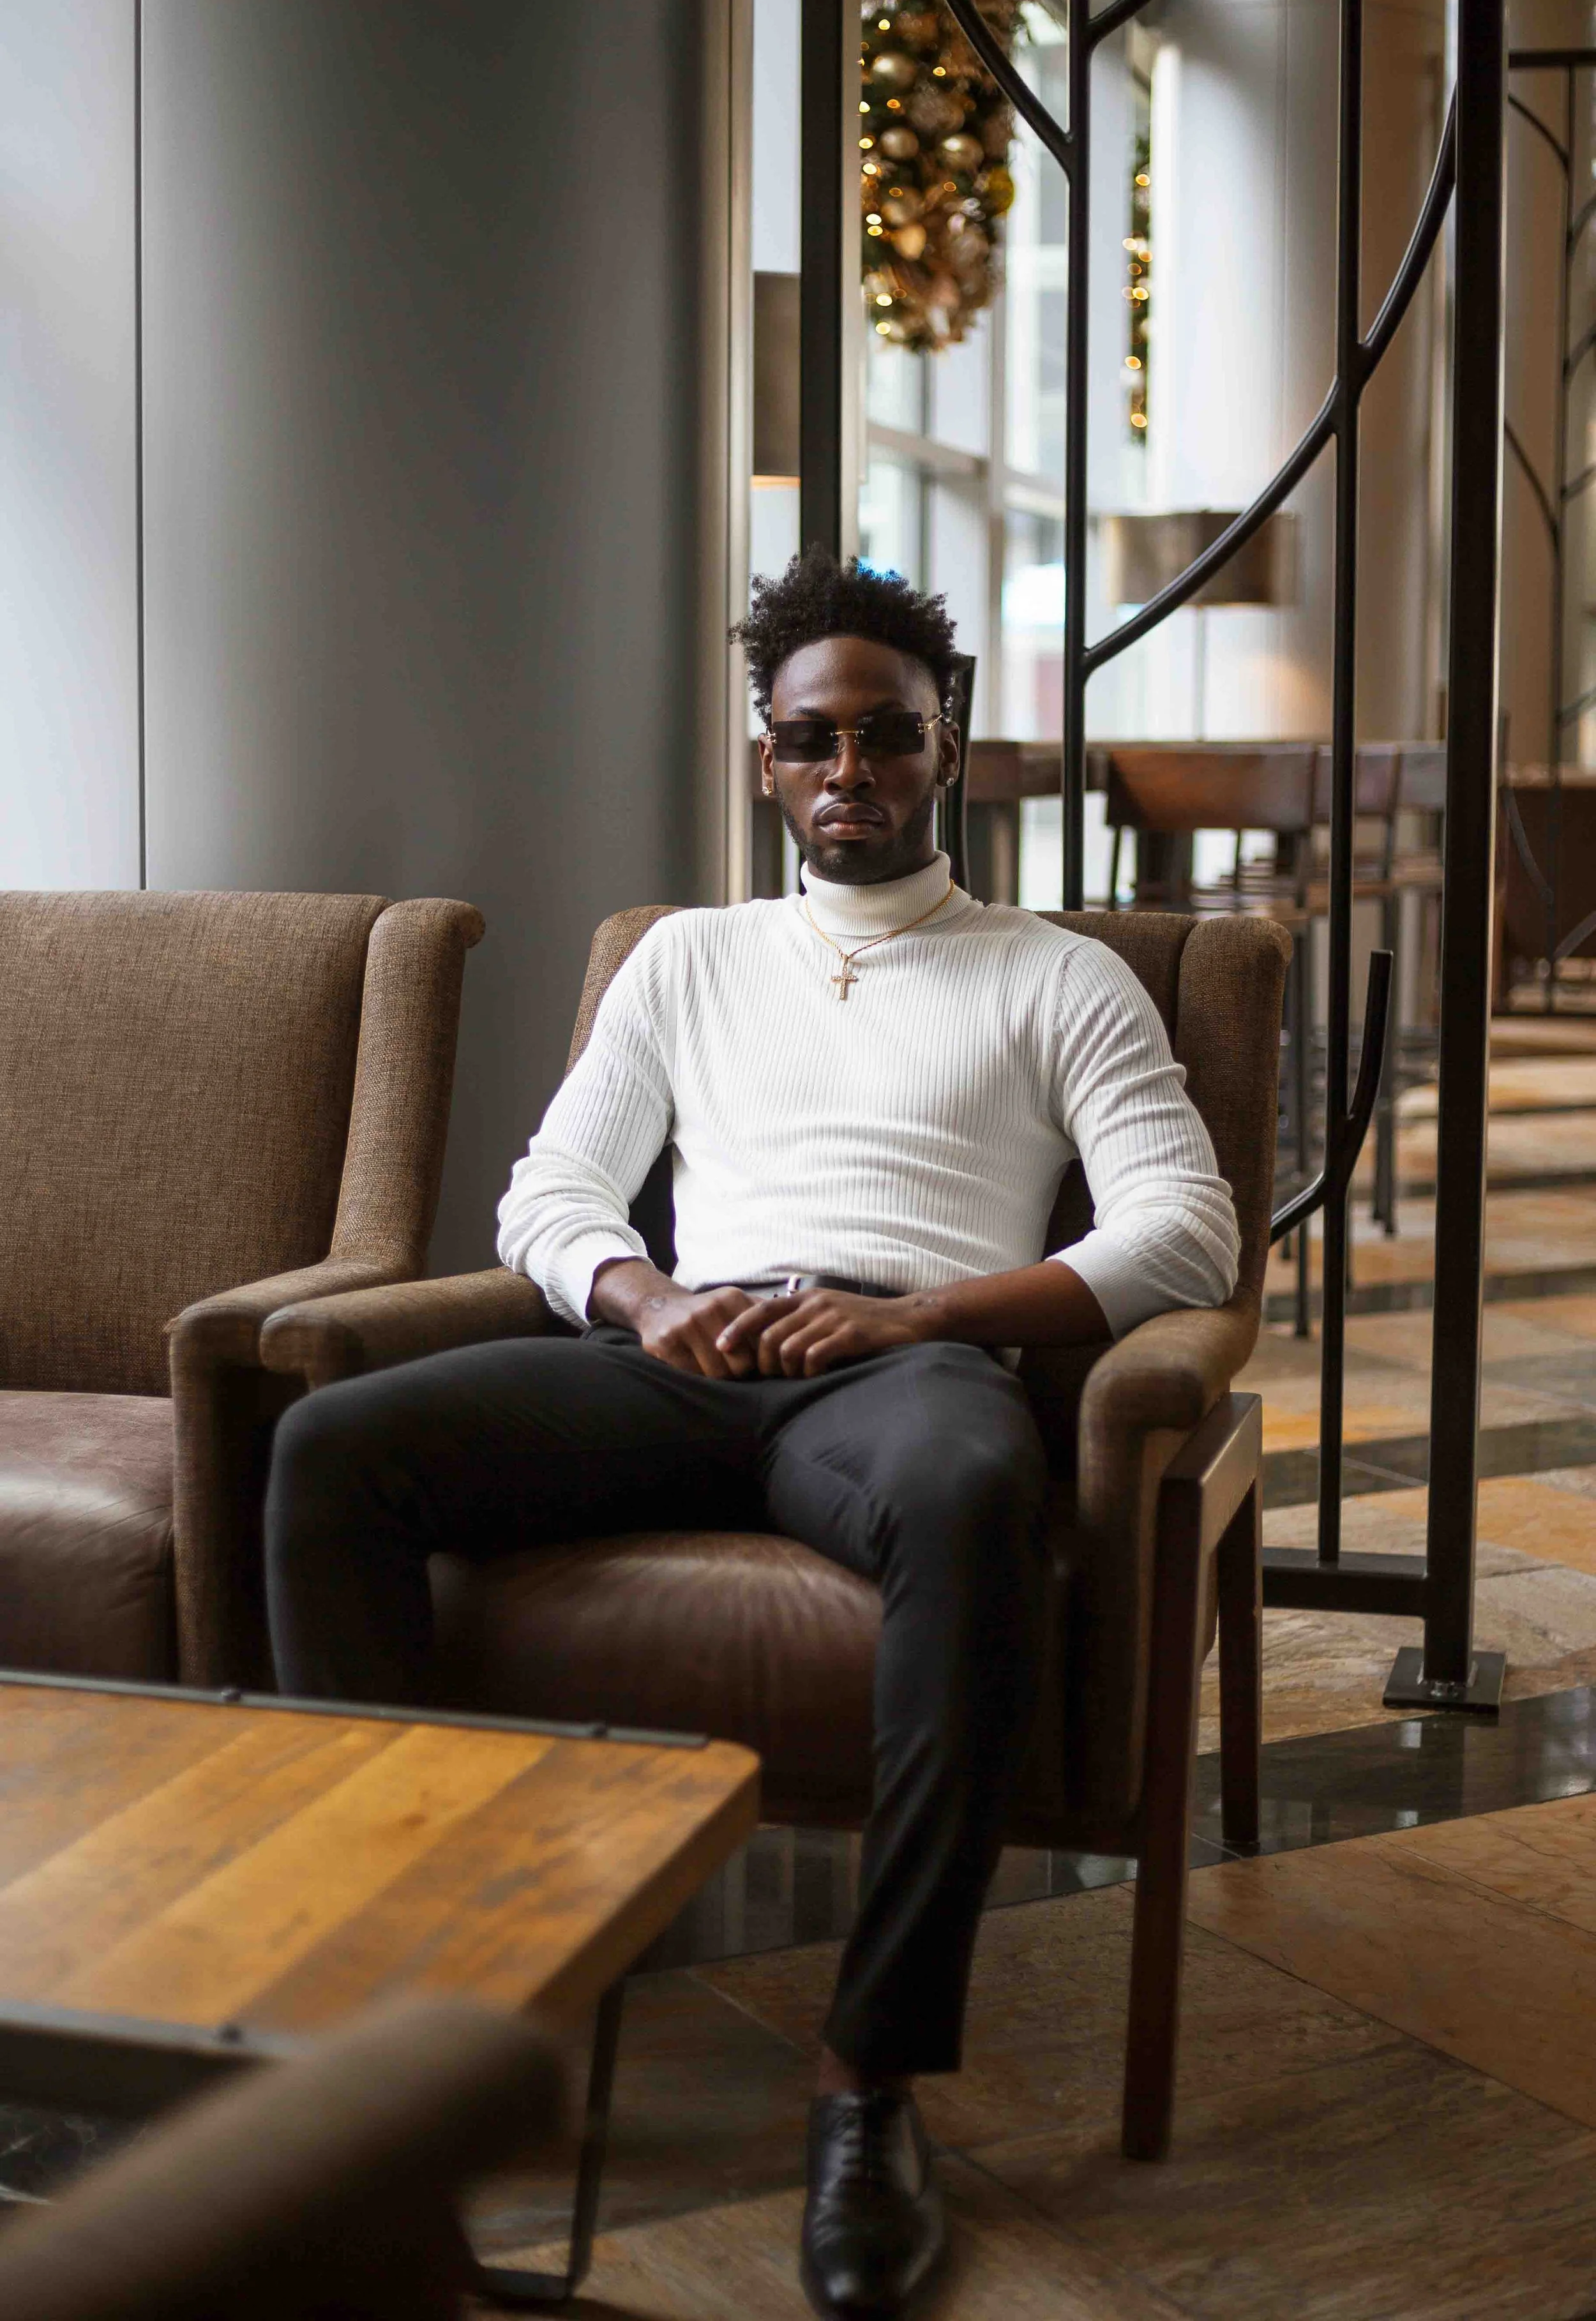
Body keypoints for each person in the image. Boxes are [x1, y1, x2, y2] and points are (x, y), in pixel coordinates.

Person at [264, 548, 1238, 2321]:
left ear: (942, 753)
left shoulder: (1058, 975)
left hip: (901, 1363)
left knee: (969, 1498)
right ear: (766, 762)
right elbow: (550, 1189)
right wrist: (643, 1299)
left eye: (884, 737)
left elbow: (1184, 1230)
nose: (846, 771)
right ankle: (413, 2010)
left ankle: (866, 2082)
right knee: (335, 1449)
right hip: (682, 1347)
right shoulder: (683, 959)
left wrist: (922, 1314)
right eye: (811, 741)